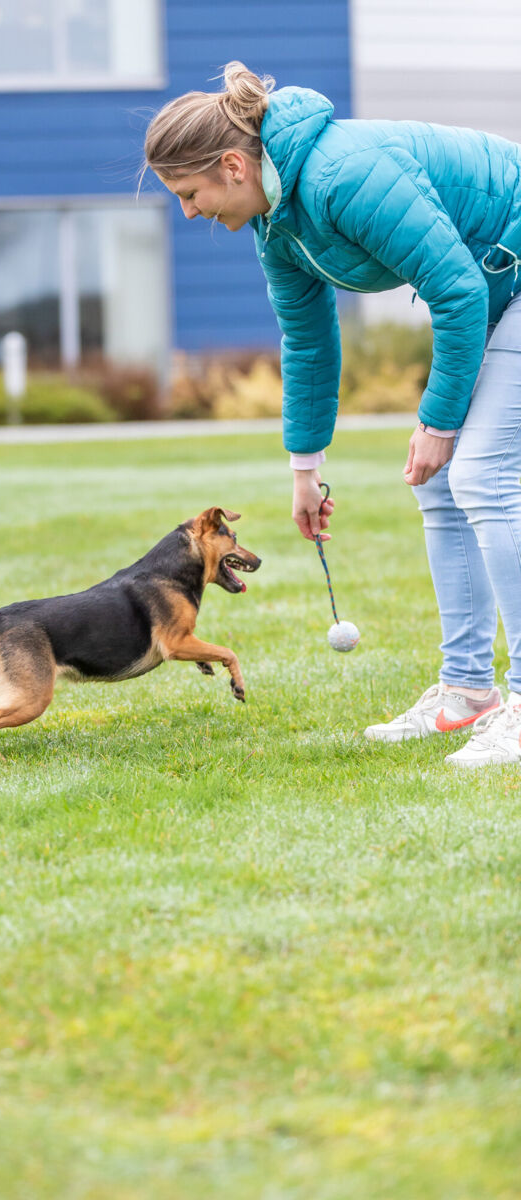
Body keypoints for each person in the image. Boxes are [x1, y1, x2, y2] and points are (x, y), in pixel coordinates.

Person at [144, 61, 521, 767]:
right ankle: (469, 691)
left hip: (499, 279)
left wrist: (438, 425)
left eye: (189, 194)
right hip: (498, 285)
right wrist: (305, 469)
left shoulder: (341, 176)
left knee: (483, 475)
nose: (189, 213)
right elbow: (310, 341)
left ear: (233, 166)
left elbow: (457, 292)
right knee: (440, 484)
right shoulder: (276, 223)